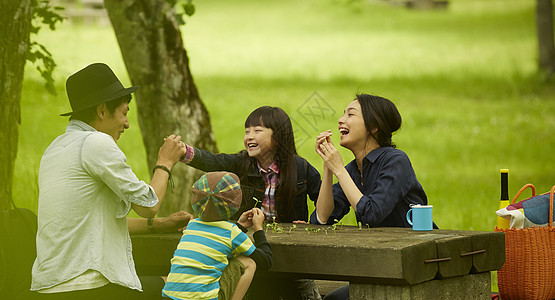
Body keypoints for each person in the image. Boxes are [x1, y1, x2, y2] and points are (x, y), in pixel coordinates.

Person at [31, 63, 193, 299]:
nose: (126, 123)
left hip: (50, 287)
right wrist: (165, 162)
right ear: (101, 110)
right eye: (125, 112)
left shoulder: (55, 149)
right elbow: (149, 205)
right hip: (88, 286)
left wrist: (159, 224)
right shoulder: (96, 143)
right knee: (187, 285)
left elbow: (91, 221)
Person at [180, 106, 323, 299]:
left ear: (279, 135)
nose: (249, 136)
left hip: (292, 252)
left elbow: (326, 201)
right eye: (247, 131)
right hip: (254, 247)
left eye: (257, 130)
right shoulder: (242, 163)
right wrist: (184, 152)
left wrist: (311, 223)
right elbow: (214, 161)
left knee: (302, 292)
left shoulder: (300, 168)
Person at [311, 93, 433, 300]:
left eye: (351, 114)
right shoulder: (352, 170)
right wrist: (328, 168)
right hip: (381, 265)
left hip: (415, 266)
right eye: (343, 114)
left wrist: (339, 170)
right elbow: (322, 219)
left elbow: (372, 213)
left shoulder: (395, 161)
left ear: (374, 126)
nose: (341, 120)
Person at [162, 171, 272, 300]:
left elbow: (217, 241)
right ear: (235, 203)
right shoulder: (231, 232)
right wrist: (258, 228)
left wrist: (239, 226)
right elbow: (266, 261)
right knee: (249, 263)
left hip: (170, 296)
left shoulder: (192, 225)